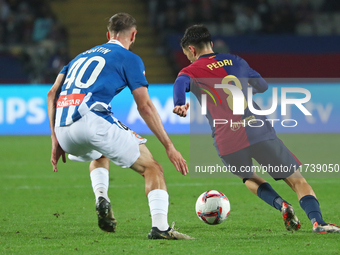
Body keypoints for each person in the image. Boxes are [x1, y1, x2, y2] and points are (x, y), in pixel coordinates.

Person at [172, 24, 340, 233]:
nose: (188, 58)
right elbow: (262, 85)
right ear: (211, 44)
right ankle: (318, 223)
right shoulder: (237, 61)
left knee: (248, 177)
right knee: (297, 181)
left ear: (192, 49)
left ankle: (281, 204)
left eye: (187, 54)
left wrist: (179, 102)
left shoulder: (190, 70)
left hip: (227, 139)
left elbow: (180, 83)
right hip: (258, 129)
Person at [47, 13, 193, 240]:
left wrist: (55, 139)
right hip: (92, 119)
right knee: (152, 168)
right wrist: (169, 146)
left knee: (100, 149)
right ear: (133, 35)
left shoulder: (78, 57)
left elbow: (51, 93)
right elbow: (144, 106)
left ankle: (101, 196)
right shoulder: (129, 58)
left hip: (64, 129)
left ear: (108, 35)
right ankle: (161, 228)